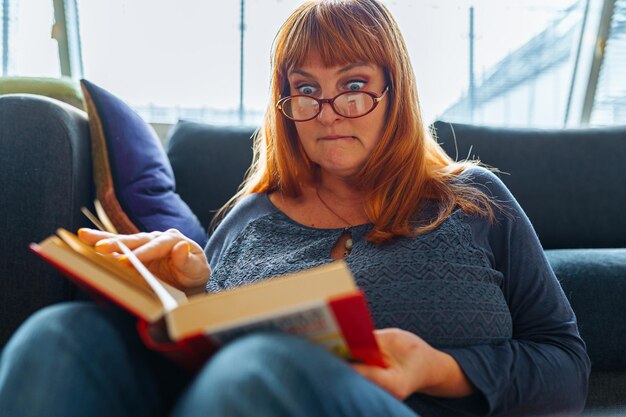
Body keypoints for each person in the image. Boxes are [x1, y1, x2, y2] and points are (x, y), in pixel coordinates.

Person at [0, 0, 590, 416]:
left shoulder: (473, 201)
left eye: (353, 85)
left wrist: (434, 368)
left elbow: (567, 367)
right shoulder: (250, 215)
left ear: (395, 94)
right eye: (306, 89)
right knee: (61, 336)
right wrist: (190, 291)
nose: (328, 110)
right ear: (285, 105)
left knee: (260, 369)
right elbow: (204, 357)